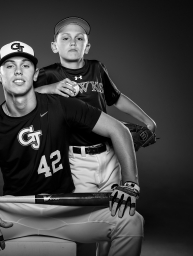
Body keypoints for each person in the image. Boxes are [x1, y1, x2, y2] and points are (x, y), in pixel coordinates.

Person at [0, 41, 144, 256]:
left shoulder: (61, 105)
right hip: (16, 211)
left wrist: (130, 183)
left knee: (130, 220)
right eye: (10, 66)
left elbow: (118, 130)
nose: (18, 71)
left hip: (65, 211)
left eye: (25, 65)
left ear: (35, 74)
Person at [33, 17, 156, 255]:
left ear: (86, 47)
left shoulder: (97, 68)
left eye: (80, 39)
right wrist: (48, 89)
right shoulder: (48, 74)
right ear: (54, 46)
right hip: (74, 159)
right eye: (65, 38)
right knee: (84, 222)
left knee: (114, 215)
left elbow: (116, 97)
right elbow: (21, 97)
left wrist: (147, 120)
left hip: (110, 154)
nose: (73, 42)